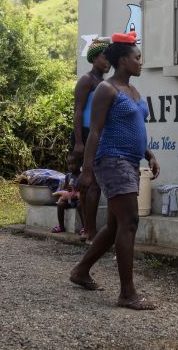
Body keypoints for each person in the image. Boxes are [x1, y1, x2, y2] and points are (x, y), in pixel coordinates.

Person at [70, 34, 161, 310]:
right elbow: (95, 130)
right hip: (111, 160)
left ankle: (81, 271)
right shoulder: (106, 90)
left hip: (131, 161)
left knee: (114, 226)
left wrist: (149, 154)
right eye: (136, 57)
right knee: (130, 221)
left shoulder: (133, 91)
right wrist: (86, 171)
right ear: (122, 60)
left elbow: (134, 127)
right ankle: (127, 293)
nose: (140, 62)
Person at [73, 38, 110, 241]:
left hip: (97, 134)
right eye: (105, 57)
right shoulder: (87, 80)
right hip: (85, 135)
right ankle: (91, 230)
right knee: (90, 184)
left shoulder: (103, 82)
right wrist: (79, 142)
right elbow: (78, 111)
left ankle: (87, 228)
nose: (108, 62)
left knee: (90, 185)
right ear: (94, 57)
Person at [52, 153, 81, 234]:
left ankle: (85, 227)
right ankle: (61, 226)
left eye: (73, 164)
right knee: (60, 204)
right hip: (70, 200)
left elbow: (84, 190)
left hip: (79, 199)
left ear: (79, 164)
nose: (71, 166)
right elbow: (65, 189)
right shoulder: (68, 176)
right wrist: (67, 189)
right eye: (69, 164)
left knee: (80, 205)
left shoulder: (82, 176)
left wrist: (76, 189)